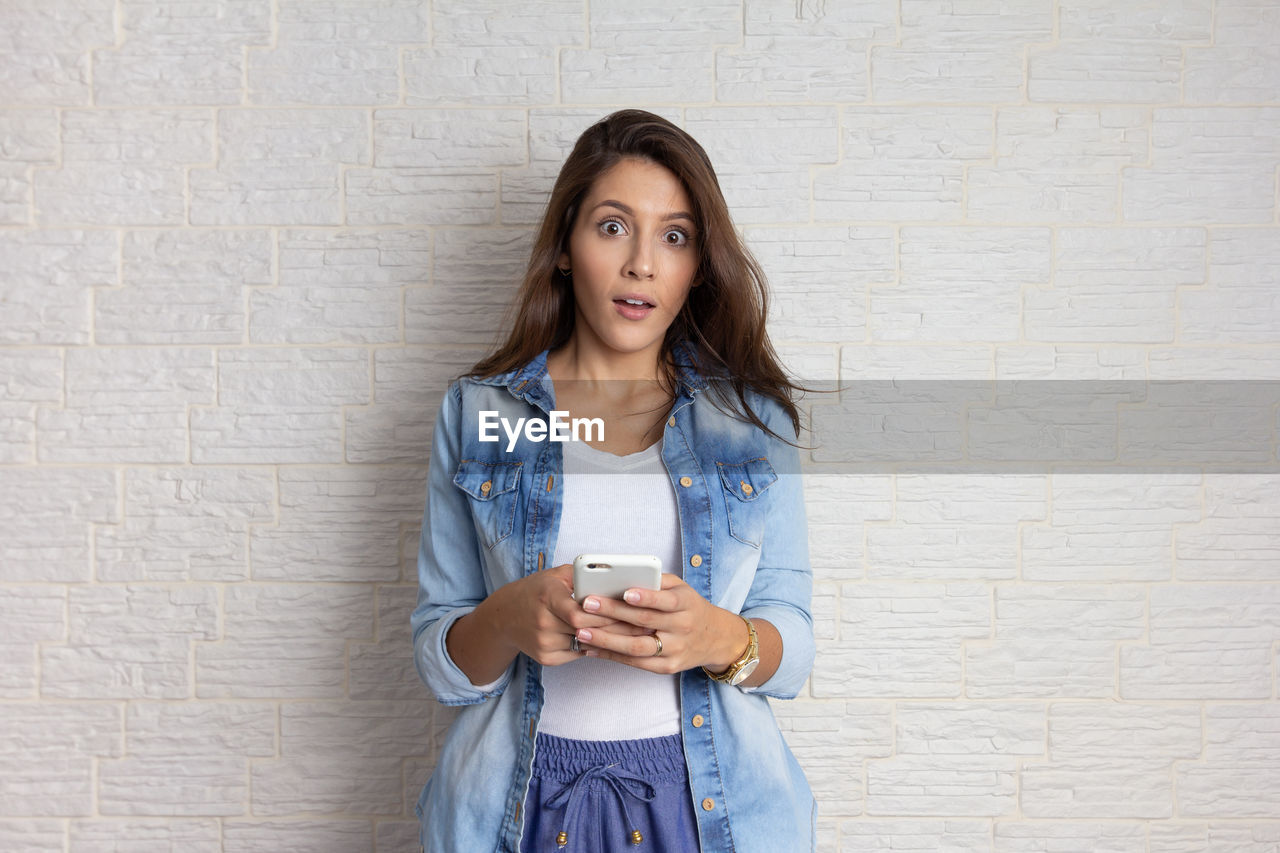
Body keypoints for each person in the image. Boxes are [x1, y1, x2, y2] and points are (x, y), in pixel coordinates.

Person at [411, 109, 815, 852]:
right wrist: (508, 618)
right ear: (566, 246)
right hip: (514, 803)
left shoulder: (750, 421)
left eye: (675, 236)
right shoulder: (479, 413)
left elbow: (794, 640)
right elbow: (442, 659)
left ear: (698, 264)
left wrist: (716, 635)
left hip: (709, 808)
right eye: (611, 226)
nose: (643, 265)